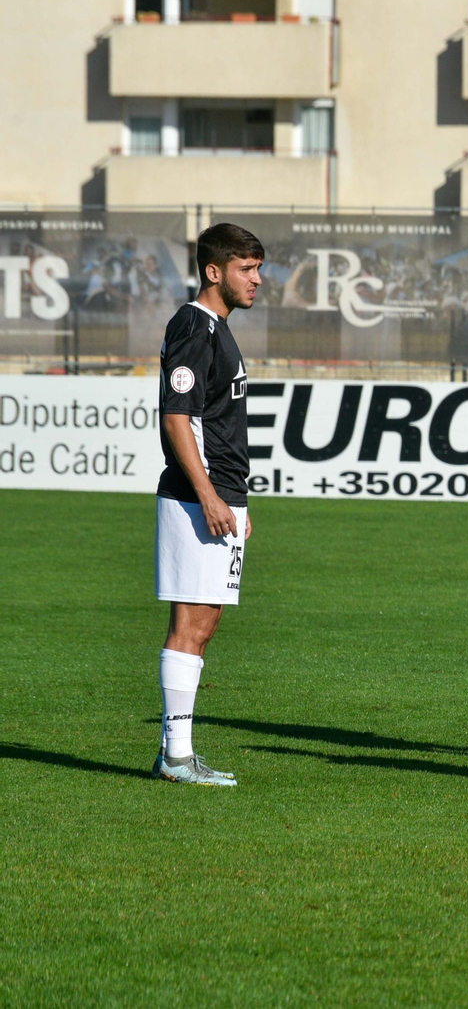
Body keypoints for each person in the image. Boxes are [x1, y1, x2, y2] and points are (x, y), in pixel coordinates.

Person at [151, 223, 263, 786]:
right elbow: (177, 417)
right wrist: (211, 496)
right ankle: (175, 756)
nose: (257, 280)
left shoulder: (217, 328)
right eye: (247, 269)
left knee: (204, 621)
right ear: (214, 271)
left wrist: (236, 500)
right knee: (191, 623)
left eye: (259, 268)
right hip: (199, 499)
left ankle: (177, 752)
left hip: (220, 497)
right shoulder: (195, 326)